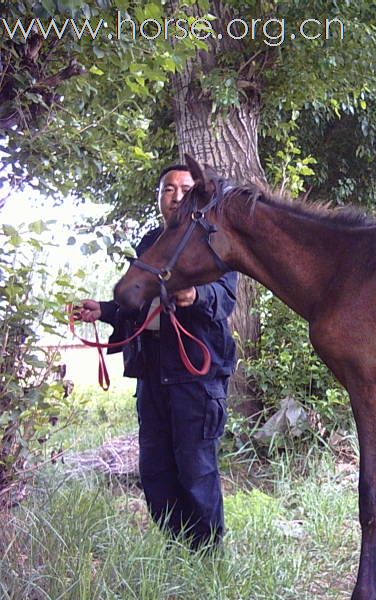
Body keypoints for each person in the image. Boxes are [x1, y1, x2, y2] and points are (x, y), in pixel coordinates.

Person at [76, 165, 238, 550]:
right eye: (169, 189)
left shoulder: (214, 240)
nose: (177, 195)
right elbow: (138, 303)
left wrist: (196, 297)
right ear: (159, 197)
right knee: (155, 469)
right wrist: (103, 309)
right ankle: (177, 546)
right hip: (152, 374)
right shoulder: (150, 242)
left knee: (196, 468)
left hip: (197, 377)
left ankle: (207, 554)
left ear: (197, 196)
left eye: (185, 189)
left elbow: (225, 298)